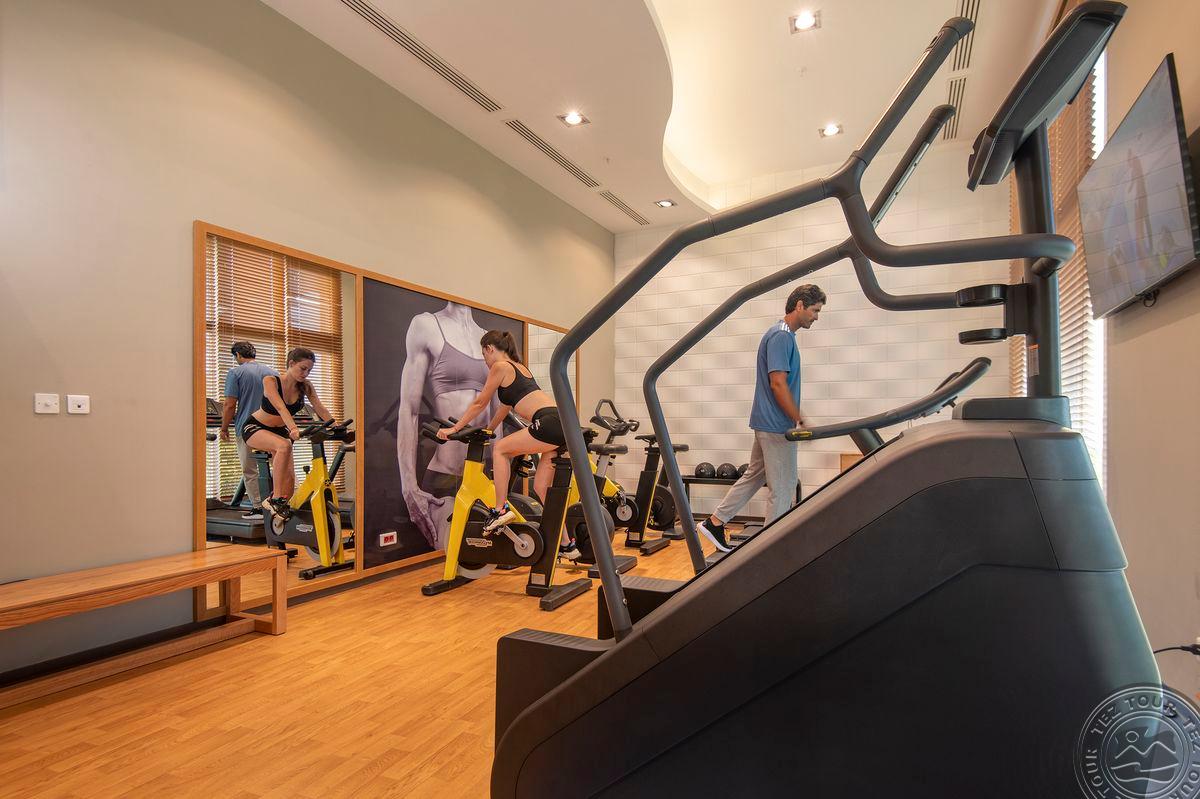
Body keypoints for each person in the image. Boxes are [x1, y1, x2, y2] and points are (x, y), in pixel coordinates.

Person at [696, 284, 826, 552]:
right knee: (784, 487)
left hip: (768, 422)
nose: (816, 317)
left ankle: (715, 522)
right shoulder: (782, 336)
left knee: (754, 475)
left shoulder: (781, 334)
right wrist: (799, 418)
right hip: (776, 425)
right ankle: (772, 548)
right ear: (800, 305)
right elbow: (777, 383)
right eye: (815, 310)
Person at [436, 330, 580, 559]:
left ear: (489, 348)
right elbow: (504, 409)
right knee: (541, 488)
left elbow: (480, 402)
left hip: (549, 422)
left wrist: (455, 428)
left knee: (501, 449)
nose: (485, 360)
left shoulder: (500, 367)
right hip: (563, 424)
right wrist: (488, 430)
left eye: (484, 355)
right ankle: (566, 545)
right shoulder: (520, 368)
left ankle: (500, 509)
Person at [395, 302, 500, 548]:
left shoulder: (487, 338)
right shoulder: (427, 325)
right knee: (449, 554)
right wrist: (409, 487)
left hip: (480, 475)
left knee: (485, 556)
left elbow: (498, 419)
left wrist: (498, 476)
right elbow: (409, 410)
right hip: (445, 477)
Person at [242, 347, 336, 520]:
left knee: (290, 481)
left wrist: (337, 427)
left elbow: (319, 407)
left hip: (280, 430)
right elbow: (280, 407)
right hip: (256, 427)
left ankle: (281, 517)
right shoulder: (270, 381)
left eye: (309, 370)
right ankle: (274, 499)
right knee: (284, 445)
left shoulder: (305, 386)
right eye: (303, 368)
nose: (306, 373)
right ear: (291, 363)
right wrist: (293, 428)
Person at [219, 341, 277, 519]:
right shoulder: (272, 372)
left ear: (237, 355)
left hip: (247, 427)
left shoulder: (235, 373)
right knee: (280, 465)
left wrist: (224, 428)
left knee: (250, 469)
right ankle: (287, 502)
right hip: (272, 427)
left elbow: (229, 405)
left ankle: (259, 508)